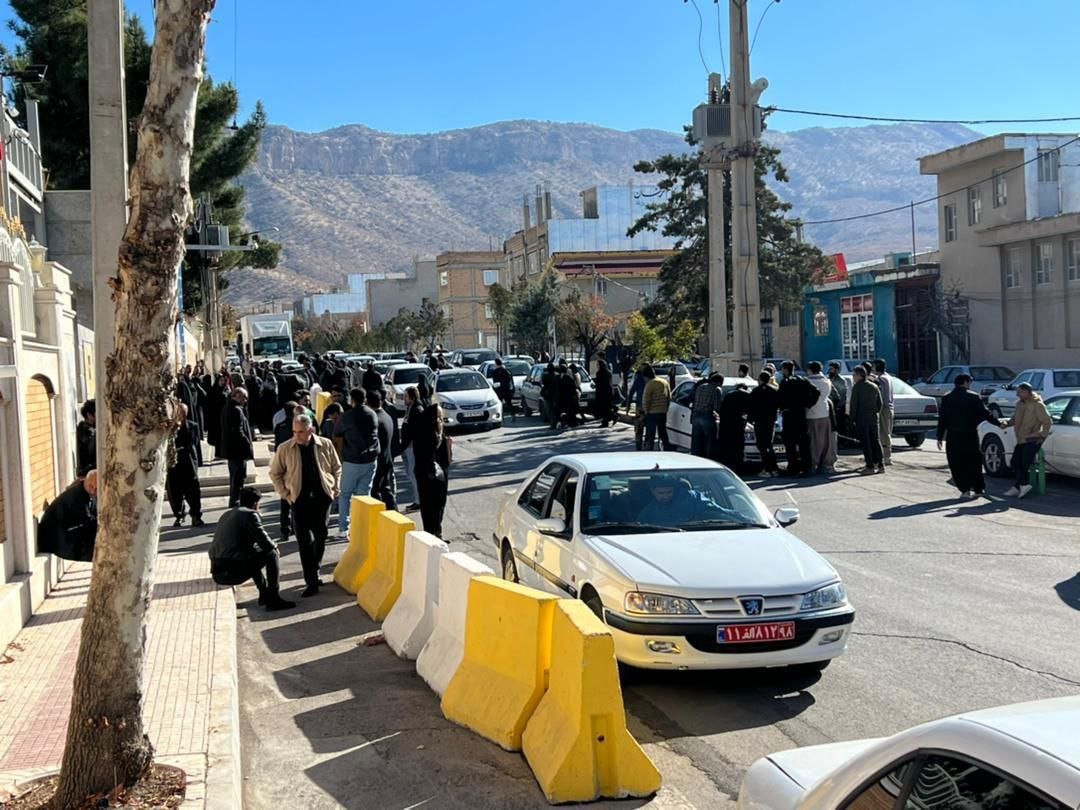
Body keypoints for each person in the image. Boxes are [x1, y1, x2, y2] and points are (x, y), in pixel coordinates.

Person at [270, 413, 341, 596]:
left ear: (310, 430)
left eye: (301, 432)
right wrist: (285, 494)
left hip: (322, 498)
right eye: (294, 431)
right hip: (299, 500)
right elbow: (275, 473)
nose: (297, 435)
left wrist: (334, 489)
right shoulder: (285, 448)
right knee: (304, 542)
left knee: (321, 535)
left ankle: (315, 567)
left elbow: (336, 467)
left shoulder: (324, 444)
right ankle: (311, 581)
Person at [208, 486, 295, 611]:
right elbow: (266, 544)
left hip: (218, 571)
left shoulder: (228, 513)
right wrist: (275, 546)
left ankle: (264, 594)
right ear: (255, 503)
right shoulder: (250, 515)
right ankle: (273, 599)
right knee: (272, 554)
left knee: (253, 553)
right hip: (231, 573)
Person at [936, 373, 997, 498]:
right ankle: (978, 488)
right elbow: (985, 413)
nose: (970, 385)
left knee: (956, 463)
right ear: (965, 382)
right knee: (974, 461)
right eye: (969, 382)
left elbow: (942, 419)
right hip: (970, 434)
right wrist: (999, 424)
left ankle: (964, 490)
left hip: (953, 435)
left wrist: (939, 437)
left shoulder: (947, 398)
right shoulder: (973, 397)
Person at [333, 387, 380, 537]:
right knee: (364, 495)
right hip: (371, 460)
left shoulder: (347, 416)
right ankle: (362, 527)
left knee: (345, 494)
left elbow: (336, 433)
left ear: (352, 400)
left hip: (352, 460)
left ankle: (343, 528)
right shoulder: (372, 414)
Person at [1003, 382, 1052, 498]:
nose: (1017, 394)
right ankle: (1019, 486)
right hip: (1021, 439)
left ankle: (1022, 485)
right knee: (1015, 462)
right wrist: (1007, 423)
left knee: (1023, 464)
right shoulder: (1020, 404)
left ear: (1026, 392)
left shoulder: (1037, 405)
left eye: (1019, 392)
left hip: (1032, 439)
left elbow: (1047, 422)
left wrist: (1042, 436)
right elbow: (1015, 418)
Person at [37, 470, 98, 562]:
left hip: (63, 537)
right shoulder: (77, 497)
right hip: (56, 543)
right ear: (89, 484)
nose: (95, 490)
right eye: (93, 487)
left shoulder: (84, 492)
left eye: (98, 488)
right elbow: (88, 521)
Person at [412, 401, 451, 539]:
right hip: (427, 475)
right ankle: (430, 533)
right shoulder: (424, 434)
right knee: (429, 505)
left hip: (441, 475)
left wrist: (447, 444)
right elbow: (424, 456)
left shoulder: (441, 434)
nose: (440, 421)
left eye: (442, 418)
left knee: (440, 503)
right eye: (438, 418)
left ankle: (438, 532)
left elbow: (447, 460)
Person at [166, 403, 204, 528]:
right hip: (173, 465)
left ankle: (196, 516)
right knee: (175, 493)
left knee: (193, 492)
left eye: (183, 412)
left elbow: (195, 444)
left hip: (188, 463)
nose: (181, 415)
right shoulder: (169, 427)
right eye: (179, 412)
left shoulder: (193, 426)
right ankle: (179, 515)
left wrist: (197, 462)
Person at [777, 362, 817, 475]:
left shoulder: (785, 382)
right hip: (800, 414)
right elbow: (816, 392)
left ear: (785, 369)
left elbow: (779, 397)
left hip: (789, 415)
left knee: (790, 443)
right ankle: (806, 467)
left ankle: (793, 467)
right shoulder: (803, 380)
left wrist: (781, 407)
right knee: (803, 442)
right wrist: (807, 404)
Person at [221, 387, 254, 507]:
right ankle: (235, 503)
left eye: (245, 397)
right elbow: (238, 431)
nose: (244, 400)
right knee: (238, 480)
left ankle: (234, 502)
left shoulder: (228, 408)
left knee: (235, 478)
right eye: (241, 397)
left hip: (231, 451)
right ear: (233, 397)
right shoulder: (236, 410)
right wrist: (247, 445)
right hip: (237, 451)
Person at [849, 367, 884, 473]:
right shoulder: (874, 386)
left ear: (860, 375)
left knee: (866, 443)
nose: (853, 377)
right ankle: (880, 465)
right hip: (873, 418)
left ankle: (870, 466)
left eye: (854, 375)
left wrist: (851, 420)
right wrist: (875, 412)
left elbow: (853, 405)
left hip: (862, 418)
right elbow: (880, 404)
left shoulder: (857, 387)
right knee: (876, 441)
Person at [368, 389, 398, 510]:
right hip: (387, 458)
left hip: (379, 461)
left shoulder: (376, 420)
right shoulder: (386, 416)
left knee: (375, 491)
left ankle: (386, 514)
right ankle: (392, 512)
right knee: (385, 489)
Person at [805, 361, 836, 475]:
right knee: (825, 440)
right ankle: (825, 464)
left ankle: (813, 463)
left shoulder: (808, 382)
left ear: (810, 370)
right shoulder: (826, 381)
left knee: (813, 440)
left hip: (811, 414)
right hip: (825, 413)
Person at [750, 371, 781, 476]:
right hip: (770, 421)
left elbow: (751, 407)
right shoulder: (774, 391)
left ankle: (766, 469)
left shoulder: (755, 391)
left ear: (760, 379)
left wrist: (750, 419)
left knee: (761, 445)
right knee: (769, 444)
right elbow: (777, 406)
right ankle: (774, 468)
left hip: (759, 421)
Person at [399, 386, 424, 511]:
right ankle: (417, 499)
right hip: (407, 447)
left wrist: (412, 443)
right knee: (411, 474)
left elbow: (418, 430)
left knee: (415, 475)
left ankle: (419, 501)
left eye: (406, 397)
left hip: (413, 448)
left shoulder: (417, 410)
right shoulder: (410, 408)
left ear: (412, 397)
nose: (404, 399)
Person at [717, 383, 751, 470]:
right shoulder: (747, 395)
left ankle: (727, 465)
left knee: (727, 446)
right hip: (738, 425)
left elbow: (721, 410)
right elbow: (748, 411)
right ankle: (738, 465)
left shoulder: (729, 394)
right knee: (738, 446)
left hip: (726, 424)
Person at [690, 372, 723, 458]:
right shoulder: (717, 389)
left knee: (696, 442)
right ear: (719, 382)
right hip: (707, 416)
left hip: (696, 415)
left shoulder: (701, 387)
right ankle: (709, 460)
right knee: (709, 441)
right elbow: (717, 407)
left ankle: (695, 459)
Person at [641, 364, 671, 451]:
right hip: (662, 412)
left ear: (646, 376)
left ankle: (649, 451)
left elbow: (646, 400)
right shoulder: (664, 382)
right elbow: (669, 397)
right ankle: (667, 449)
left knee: (651, 434)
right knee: (663, 433)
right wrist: (666, 408)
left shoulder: (649, 384)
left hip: (652, 413)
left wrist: (646, 412)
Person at [874, 359, 895, 466]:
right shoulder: (888, 377)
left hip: (884, 408)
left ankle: (887, 457)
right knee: (887, 432)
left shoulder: (881, 379)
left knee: (884, 433)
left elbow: (880, 396)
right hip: (890, 407)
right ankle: (886, 455)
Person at [593, 359, 616, 427]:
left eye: (597, 364)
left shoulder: (599, 373)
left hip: (602, 393)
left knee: (603, 409)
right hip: (608, 392)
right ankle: (606, 421)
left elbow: (600, 384)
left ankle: (612, 418)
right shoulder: (608, 372)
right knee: (607, 408)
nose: (597, 366)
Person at [76, 399, 96, 477]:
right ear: (89, 415)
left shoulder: (84, 428)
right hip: (88, 473)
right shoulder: (89, 432)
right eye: (97, 413)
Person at [491, 358, 516, 422]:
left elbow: (495, 382)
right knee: (509, 403)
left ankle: (501, 417)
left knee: (499, 404)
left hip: (499, 390)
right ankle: (513, 415)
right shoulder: (507, 371)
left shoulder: (495, 372)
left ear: (496, 364)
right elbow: (510, 381)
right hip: (507, 390)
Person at [827, 362, 848, 436]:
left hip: (839, 408)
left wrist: (838, 406)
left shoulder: (841, 380)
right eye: (829, 368)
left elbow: (842, 395)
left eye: (831, 369)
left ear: (837, 370)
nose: (830, 370)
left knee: (839, 425)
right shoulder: (828, 379)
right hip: (831, 407)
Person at [556, 363, 579, 428]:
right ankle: (570, 422)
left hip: (562, 398)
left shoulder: (558, 377)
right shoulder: (568, 378)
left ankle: (566, 422)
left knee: (564, 411)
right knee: (569, 411)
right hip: (568, 398)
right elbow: (573, 387)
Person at [541, 362, 559, 430]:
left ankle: (553, 424)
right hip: (555, 396)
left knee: (550, 411)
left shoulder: (546, 376)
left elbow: (543, 383)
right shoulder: (557, 375)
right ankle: (555, 423)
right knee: (554, 411)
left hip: (549, 395)